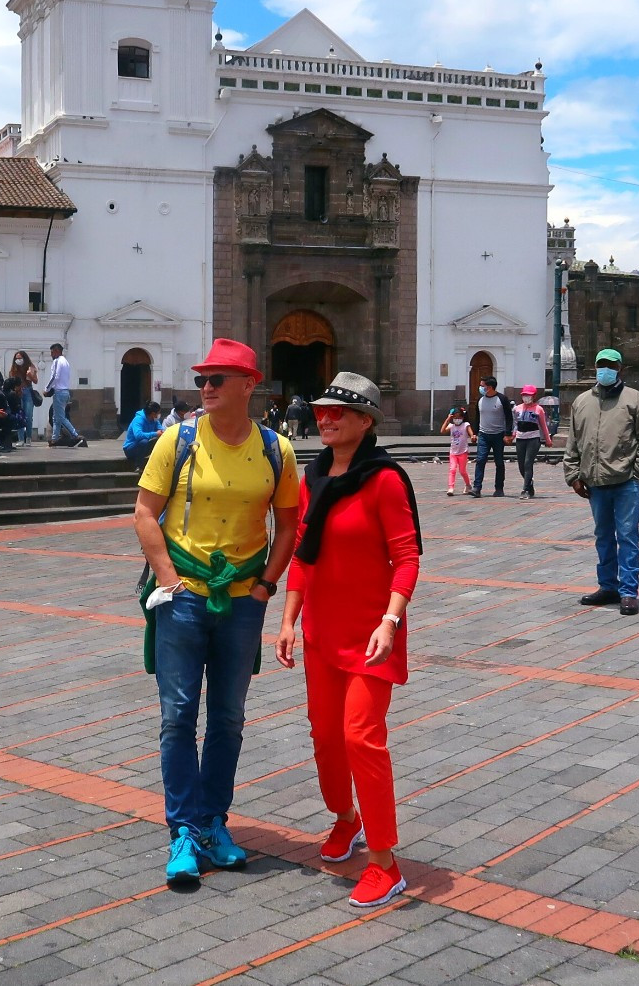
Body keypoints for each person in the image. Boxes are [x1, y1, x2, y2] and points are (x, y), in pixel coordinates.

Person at [134, 339, 300, 889]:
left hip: (242, 602)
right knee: (178, 714)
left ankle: (213, 822)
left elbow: (288, 524)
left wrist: (265, 589)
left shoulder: (276, 449)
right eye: (203, 378)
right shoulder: (177, 441)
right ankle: (183, 829)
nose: (205, 387)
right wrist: (167, 578)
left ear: (250, 385)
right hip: (184, 596)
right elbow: (145, 512)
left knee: (227, 717)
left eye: (218, 379)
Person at [275, 371, 420, 909]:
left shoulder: (385, 479)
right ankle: (346, 818)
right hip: (320, 632)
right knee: (325, 737)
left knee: (362, 737)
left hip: (370, 636)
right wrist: (288, 621)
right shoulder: (311, 479)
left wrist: (391, 620)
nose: (326, 418)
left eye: (339, 411)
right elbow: (302, 556)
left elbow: (407, 557)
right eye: (321, 410)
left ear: (366, 421)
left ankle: (386, 862)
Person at [562, 348, 639, 617]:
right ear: (595, 367)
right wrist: (573, 475)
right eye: (602, 365)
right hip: (594, 483)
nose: (606, 369)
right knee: (603, 537)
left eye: (611, 365)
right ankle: (608, 587)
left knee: (627, 536)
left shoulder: (635, 400)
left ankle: (628, 592)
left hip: (625, 481)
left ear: (620, 369)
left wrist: (635, 472)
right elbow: (573, 442)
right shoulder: (582, 402)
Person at [470, 375, 515, 498]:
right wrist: (474, 433)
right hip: (483, 435)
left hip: (498, 435)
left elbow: (509, 418)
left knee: (499, 462)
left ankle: (499, 488)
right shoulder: (480, 400)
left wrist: (508, 433)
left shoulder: (502, 399)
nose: (480, 388)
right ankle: (477, 487)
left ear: (489, 387)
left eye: (482, 386)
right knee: (480, 460)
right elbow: (477, 417)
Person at [44, 343, 85, 447]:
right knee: (56, 417)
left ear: (57, 351)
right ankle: (54, 439)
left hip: (59, 392)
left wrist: (46, 389)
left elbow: (55, 376)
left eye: (52, 352)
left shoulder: (57, 361)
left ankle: (74, 434)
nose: (51, 355)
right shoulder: (66, 362)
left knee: (60, 417)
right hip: (65, 392)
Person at [513, 385, 549, 498]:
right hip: (520, 438)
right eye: (524, 395)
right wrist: (512, 434)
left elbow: (543, 425)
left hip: (533, 438)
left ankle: (525, 490)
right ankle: (529, 484)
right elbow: (515, 424)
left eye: (528, 395)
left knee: (528, 463)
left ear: (533, 396)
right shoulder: (517, 408)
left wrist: (547, 439)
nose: (526, 397)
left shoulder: (538, 409)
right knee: (521, 465)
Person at [123, 401, 164, 470]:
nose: (159, 414)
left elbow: (161, 429)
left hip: (144, 447)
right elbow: (138, 435)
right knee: (143, 441)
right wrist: (155, 434)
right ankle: (138, 466)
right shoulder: (138, 420)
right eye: (158, 413)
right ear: (153, 413)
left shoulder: (155, 420)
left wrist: (162, 432)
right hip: (131, 448)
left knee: (160, 440)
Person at [10, 350, 40, 444]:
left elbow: (35, 381)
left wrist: (30, 375)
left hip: (28, 391)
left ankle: (28, 438)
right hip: (18, 392)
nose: (18, 360)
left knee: (28, 416)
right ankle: (21, 439)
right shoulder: (14, 369)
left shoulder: (30, 367)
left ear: (24, 358)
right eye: (17, 358)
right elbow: (11, 381)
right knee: (19, 416)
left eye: (20, 358)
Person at [441, 409, 472, 496]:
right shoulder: (451, 426)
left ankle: (468, 485)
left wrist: (473, 436)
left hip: (463, 452)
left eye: (459, 417)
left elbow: (471, 434)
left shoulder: (466, 425)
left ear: (462, 417)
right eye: (455, 417)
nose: (457, 419)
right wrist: (447, 419)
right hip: (453, 452)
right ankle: (451, 487)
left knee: (462, 471)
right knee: (452, 469)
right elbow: (442, 431)